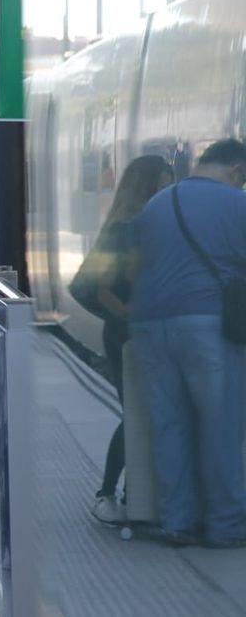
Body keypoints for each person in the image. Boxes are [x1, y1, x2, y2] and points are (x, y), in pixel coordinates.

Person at [128, 139, 246, 548]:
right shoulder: (237, 205)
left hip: (148, 326)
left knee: (169, 425)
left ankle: (178, 523)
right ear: (235, 171)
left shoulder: (158, 204)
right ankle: (227, 526)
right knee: (222, 426)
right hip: (207, 326)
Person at [76, 156, 174, 525]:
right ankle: (107, 493)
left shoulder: (139, 225)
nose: (170, 193)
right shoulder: (123, 229)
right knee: (136, 413)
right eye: (163, 186)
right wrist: (130, 316)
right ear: (147, 188)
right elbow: (98, 287)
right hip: (126, 336)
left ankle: (137, 494)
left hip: (137, 331)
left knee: (143, 413)